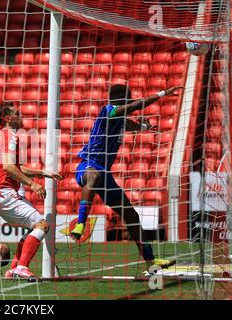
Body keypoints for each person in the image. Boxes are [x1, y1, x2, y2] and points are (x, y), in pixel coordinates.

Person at [71, 84, 184, 269]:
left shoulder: (121, 119)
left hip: (105, 174)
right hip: (88, 165)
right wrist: (163, 93)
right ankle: (80, 224)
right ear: (121, 98)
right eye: (129, 96)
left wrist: (144, 127)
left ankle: (151, 261)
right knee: (94, 176)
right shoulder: (109, 111)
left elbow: (133, 125)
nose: (131, 98)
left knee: (131, 215)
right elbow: (134, 107)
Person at [0, 102, 63, 281]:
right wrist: (33, 184)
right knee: (42, 226)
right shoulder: (9, 136)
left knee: (33, 227)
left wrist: (43, 173)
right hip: (4, 193)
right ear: (8, 119)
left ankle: (13, 268)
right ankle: (22, 267)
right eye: (17, 113)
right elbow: (8, 167)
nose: (21, 116)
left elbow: (16, 167)